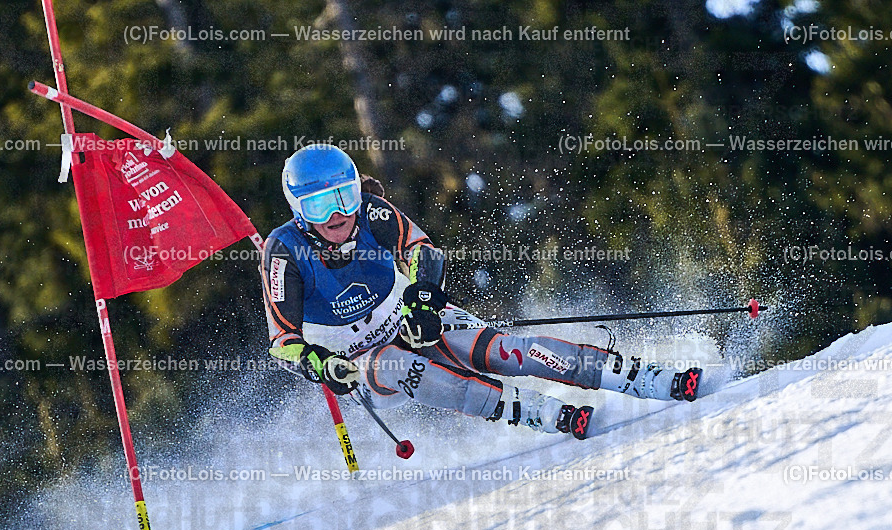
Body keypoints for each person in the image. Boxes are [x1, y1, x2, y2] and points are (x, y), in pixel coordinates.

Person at [259, 144, 701, 439]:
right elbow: (282, 341)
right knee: (399, 363)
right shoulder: (283, 252)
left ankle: (641, 377)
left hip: (408, 319)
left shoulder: (373, 213)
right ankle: (527, 410)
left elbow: (422, 251)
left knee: (502, 351)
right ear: (298, 209)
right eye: (320, 205)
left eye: (345, 197)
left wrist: (422, 298)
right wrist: (317, 362)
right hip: (361, 362)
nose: (338, 214)